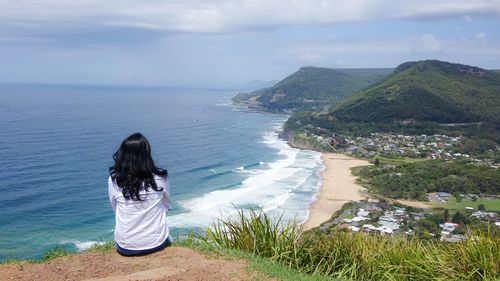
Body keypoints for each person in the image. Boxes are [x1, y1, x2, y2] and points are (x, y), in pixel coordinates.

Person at [108, 132, 172, 256]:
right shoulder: (160, 177)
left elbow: (115, 208)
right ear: (147, 154)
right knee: (170, 239)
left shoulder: (115, 180)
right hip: (156, 243)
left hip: (126, 247)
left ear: (123, 154)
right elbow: (167, 205)